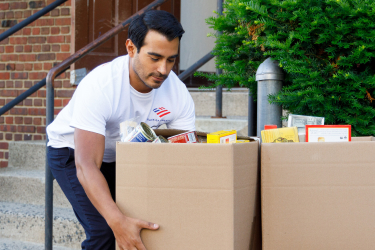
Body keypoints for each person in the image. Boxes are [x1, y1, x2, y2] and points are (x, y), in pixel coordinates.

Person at [46, 10, 195, 250]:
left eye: (171, 60)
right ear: (131, 48)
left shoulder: (177, 93)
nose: (164, 70)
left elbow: (187, 155)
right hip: (72, 153)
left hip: (123, 155)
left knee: (147, 222)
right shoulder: (101, 85)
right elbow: (87, 167)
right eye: (154, 57)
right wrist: (116, 220)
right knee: (104, 229)